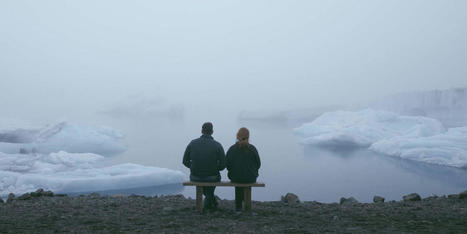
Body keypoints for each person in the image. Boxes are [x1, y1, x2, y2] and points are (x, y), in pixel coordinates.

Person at [183, 122, 226, 210]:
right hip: (212, 177)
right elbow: (223, 165)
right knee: (211, 182)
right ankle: (210, 202)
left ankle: (210, 201)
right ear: (212, 132)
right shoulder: (217, 145)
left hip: (195, 176)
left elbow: (184, 161)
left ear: (202, 131)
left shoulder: (192, 143)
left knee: (205, 182)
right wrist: (214, 168)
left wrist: (192, 167)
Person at [226, 127, 261, 212]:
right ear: (248, 137)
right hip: (250, 178)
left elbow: (227, 165)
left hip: (235, 178)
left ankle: (238, 207)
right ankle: (247, 206)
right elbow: (258, 164)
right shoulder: (252, 149)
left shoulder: (232, 149)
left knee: (238, 179)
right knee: (245, 177)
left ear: (237, 136)